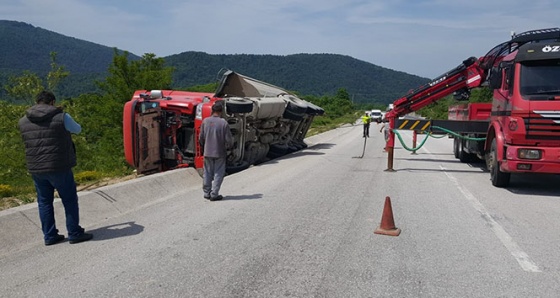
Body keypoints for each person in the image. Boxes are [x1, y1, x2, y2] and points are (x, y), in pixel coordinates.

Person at [18, 90, 93, 245]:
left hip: (37, 168)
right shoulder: (61, 117)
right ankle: (74, 232)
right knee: (69, 199)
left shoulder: (23, 121)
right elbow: (77, 129)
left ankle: (50, 236)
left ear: (37, 102)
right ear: (52, 102)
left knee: (44, 202)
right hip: (59, 165)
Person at [198, 102, 233, 201]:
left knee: (207, 172)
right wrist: (230, 148)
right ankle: (214, 194)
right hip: (219, 152)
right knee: (218, 173)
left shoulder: (205, 121)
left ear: (212, 110)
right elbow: (229, 140)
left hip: (207, 152)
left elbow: (201, 137)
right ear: (221, 111)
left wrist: (203, 147)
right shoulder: (223, 123)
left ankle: (206, 193)